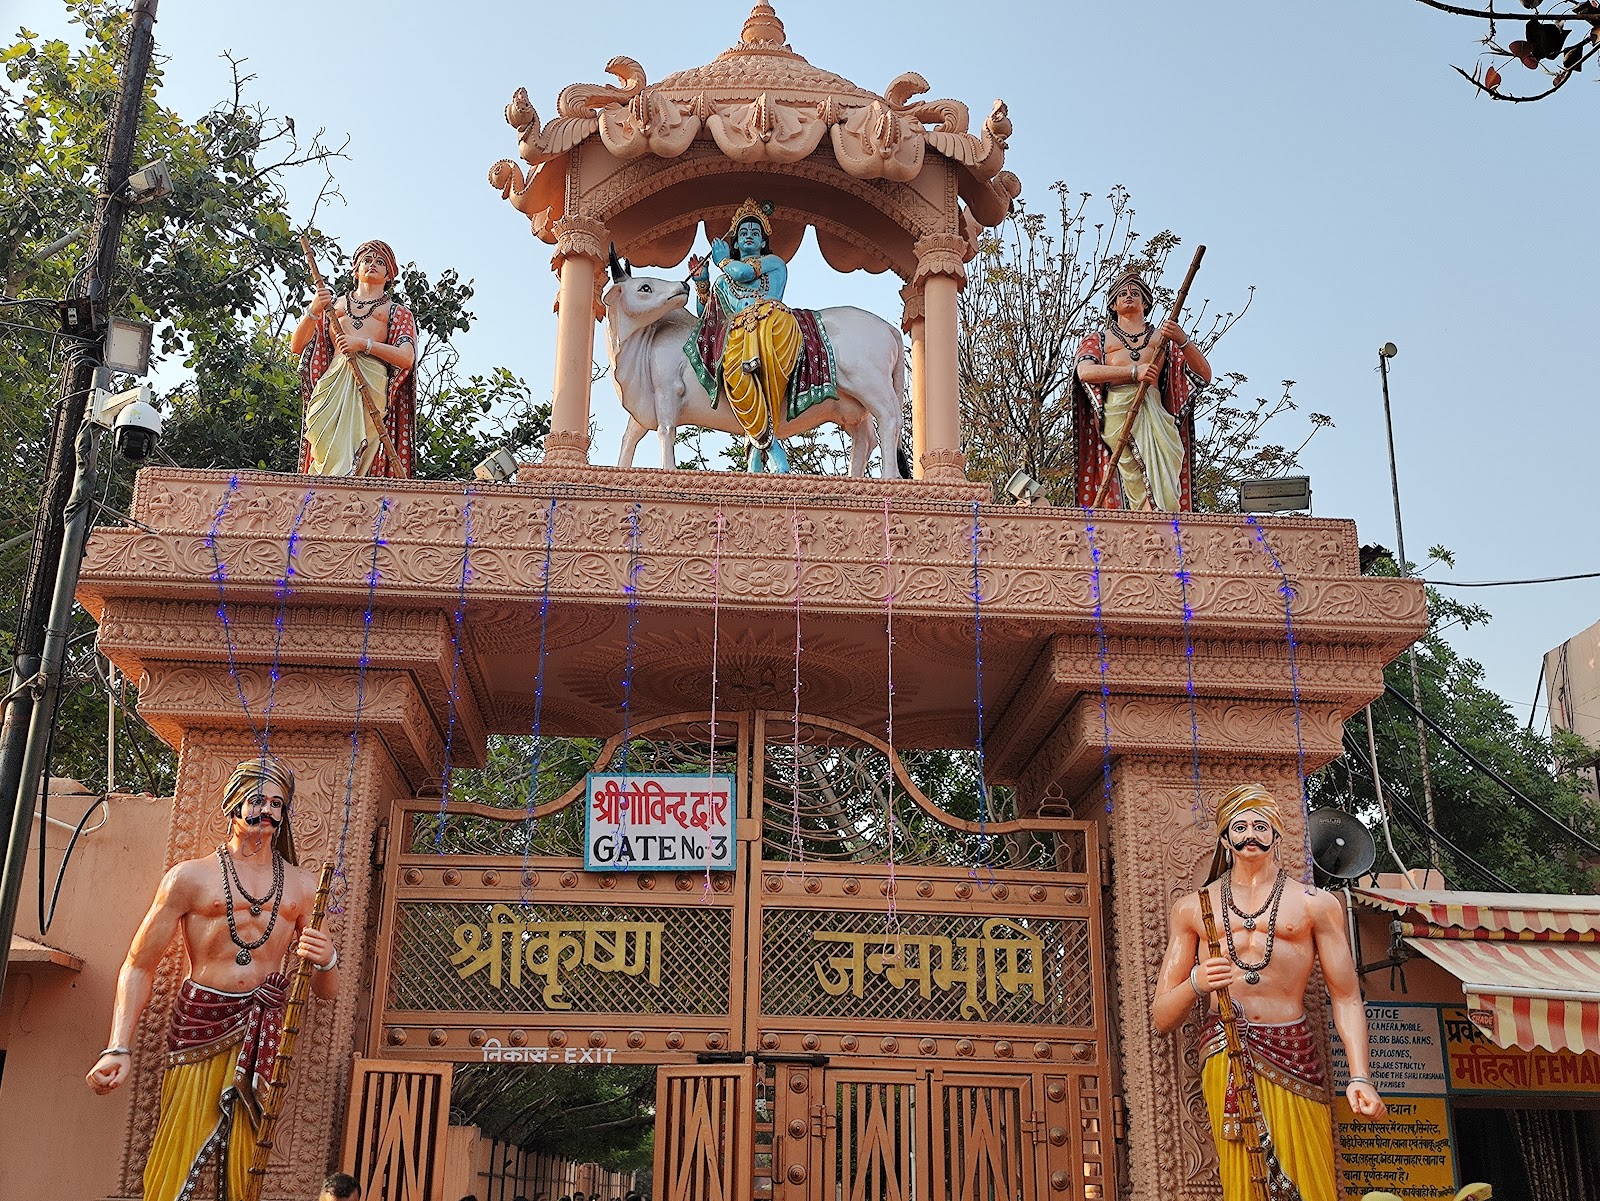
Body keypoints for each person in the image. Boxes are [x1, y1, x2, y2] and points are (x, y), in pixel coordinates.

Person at [86, 756, 339, 1201]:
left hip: (263, 1028)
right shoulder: (190, 877)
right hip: (201, 1019)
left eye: (278, 804)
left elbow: (324, 993)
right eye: (258, 799)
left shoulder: (302, 886)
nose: (268, 811)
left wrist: (327, 960)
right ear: (232, 802)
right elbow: (139, 964)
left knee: (248, 1150)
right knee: (178, 1137)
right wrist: (118, 1047)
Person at [1152, 783, 1386, 1201]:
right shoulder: (1193, 908)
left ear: (1278, 834)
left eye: (1261, 825)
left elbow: (1346, 996)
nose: (1250, 835)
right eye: (1239, 826)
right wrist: (1196, 982)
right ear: (1224, 837)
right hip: (1227, 1048)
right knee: (1245, 1174)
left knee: (1310, 1171)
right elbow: (1162, 1017)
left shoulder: (1316, 905)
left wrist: (1360, 1077)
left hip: (1293, 1046)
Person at [686, 198, 839, 473]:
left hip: (774, 325)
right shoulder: (723, 281)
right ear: (735, 241)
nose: (749, 237)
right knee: (734, 376)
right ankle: (769, 447)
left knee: (766, 337)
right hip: (739, 337)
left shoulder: (772, 263)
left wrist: (723, 260)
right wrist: (701, 281)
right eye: (743, 233)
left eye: (755, 234)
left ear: (762, 243)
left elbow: (743, 272)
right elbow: (706, 314)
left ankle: (760, 447)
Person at [1073, 269, 1211, 511]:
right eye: (1122, 294)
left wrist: (1182, 339)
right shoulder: (1099, 339)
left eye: (1135, 293)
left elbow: (1204, 374)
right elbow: (1085, 372)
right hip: (1119, 411)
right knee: (1129, 469)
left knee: (1166, 465)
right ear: (1113, 305)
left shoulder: (1162, 338)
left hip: (1154, 410)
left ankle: (1163, 520)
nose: (1129, 296)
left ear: (1145, 302)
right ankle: (1140, 519)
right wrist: (1132, 373)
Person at [290, 238, 418, 477]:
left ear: (389, 275)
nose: (372, 265)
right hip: (333, 380)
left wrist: (364, 345)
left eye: (380, 262)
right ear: (355, 269)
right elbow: (297, 346)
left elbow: (405, 358)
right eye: (366, 260)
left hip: (370, 381)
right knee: (320, 434)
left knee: (361, 443)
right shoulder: (332, 306)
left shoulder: (397, 313)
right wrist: (313, 310)